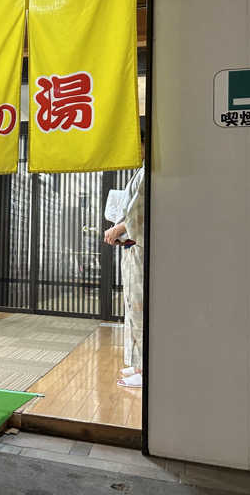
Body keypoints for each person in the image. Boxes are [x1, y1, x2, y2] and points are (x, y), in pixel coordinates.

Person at [104, 131, 145, 388]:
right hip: (133, 248)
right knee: (132, 306)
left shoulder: (149, 172)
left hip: (141, 248)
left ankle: (146, 368)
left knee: (142, 307)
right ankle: (139, 363)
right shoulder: (140, 171)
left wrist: (118, 229)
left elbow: (138, 212)